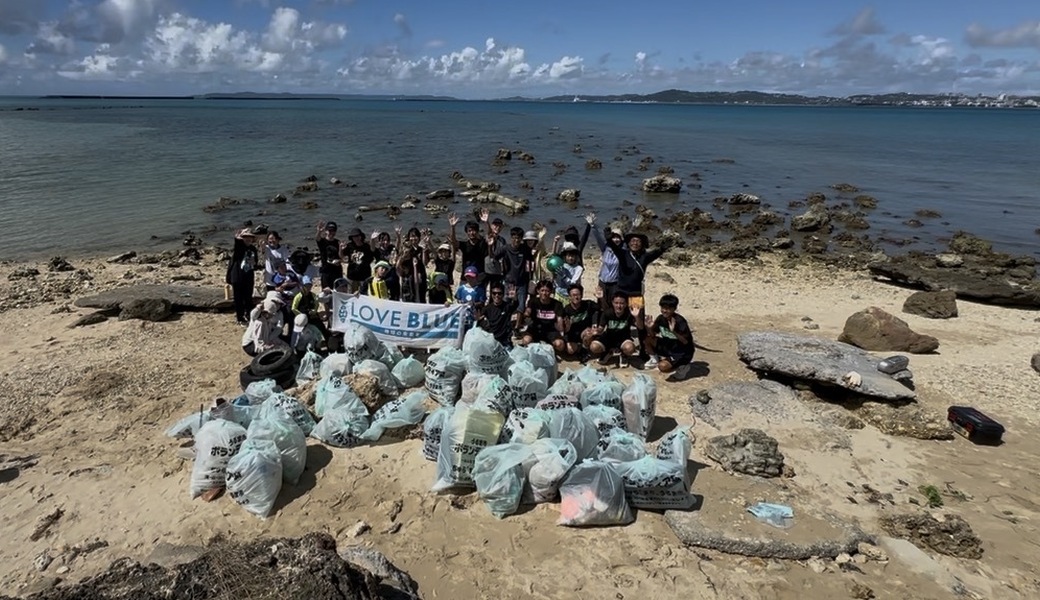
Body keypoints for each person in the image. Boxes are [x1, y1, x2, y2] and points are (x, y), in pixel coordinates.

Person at [607, 232, 667, 360]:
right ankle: (615, 345)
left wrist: (664, 247)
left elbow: (656, 253)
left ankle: (644, 350)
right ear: (628, 243)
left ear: (642, 244)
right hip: (621, 293)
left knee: (640, 323)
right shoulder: (622, 254)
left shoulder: (645, 257)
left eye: (638, 241)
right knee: (619, 320)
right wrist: (608, 237)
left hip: (635, 294)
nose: (635, 243)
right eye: (632, 241)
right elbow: (614, 247)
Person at [588, 292, 642, 368]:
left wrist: (637, 317)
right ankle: (607, 352)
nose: (619, 306)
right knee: (594, 346)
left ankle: (624, 355)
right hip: (609, 338)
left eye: (622, 303)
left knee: (630, 348)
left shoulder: (629, 313)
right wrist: (596, 331)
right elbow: (601, 328)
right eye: (616, 303)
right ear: (612, 303)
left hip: (623, 339)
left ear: (626, 304)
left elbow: (640, 327)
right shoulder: (607, 313)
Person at [644, 294, 695, 373]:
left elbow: (685, 341)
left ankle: (683, 366)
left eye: (668, 309)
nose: (664, 311)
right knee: (648, 339)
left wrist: (673, 332)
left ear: (674, 309)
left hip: (681, 352)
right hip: (668, 347)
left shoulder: (679, 321)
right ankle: (654, 360)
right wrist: (649, 327)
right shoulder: (661, 318)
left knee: (663, 367)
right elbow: (652, 335)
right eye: (663, 308)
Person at [520, 280, 565, 353]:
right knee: (526, 341)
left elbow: (559, 319)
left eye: (547, 291)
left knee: (560, 345)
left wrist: (561, 332)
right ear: (538, 291)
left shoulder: (557, 304)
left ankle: (549, 348)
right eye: (542, 290)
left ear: (550, 292)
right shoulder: (533, 301)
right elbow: (528, 310)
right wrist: (525, 314)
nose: (544, 293)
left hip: (551, 330)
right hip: (536, 328)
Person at [226, 227, 259, 325]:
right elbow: (237, 244)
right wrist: (238, 238)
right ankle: (240, 317)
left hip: (248, 275)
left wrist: (254, 262)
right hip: (237, 276)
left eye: (250, 237)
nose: (248, 239)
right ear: (242, 239)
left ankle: (249, 315)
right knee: (238, 298)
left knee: (248, 297)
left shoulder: (253, 248)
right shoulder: (239, 248)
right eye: (246, 237)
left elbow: (255, 261)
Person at [589, 213, 622, 311]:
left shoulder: (622, 252)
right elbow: (598, 238)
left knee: (614, 304)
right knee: (601, 303)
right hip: (602, 281)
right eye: (614, 237)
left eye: (618, 237)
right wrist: (593, 225)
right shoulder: (605, 249)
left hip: (615, 283)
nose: (616, 239)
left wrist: (634, 228)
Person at [561, 284, 599, 361]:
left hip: (585, 332)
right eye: (573, 295)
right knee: (570, 350)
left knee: (588, 333)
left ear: (581, 295)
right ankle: (580, 348)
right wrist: (567, 326)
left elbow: (601, 310)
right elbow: (564, 330)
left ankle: (584, 349)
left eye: (578, 294)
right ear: (569, 296)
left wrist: (594, 324)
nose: (576, 297)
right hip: (572, 334)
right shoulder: (566, 310)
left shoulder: (588, 304)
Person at [449, 213, 489, 282]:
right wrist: (453, 227)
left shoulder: (482, 243)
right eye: (469, 231)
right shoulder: (464, 245)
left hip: (479, 276)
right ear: (466, 232)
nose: (471, 233)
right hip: (466, 276)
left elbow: (490, 236)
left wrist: (487, 223)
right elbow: (453, 241)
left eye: (473, 230)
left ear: (477, 231)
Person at [478, 281, 517, 348]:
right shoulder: (487, 309)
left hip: (504, 342)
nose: (497, 296)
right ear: (491, 294)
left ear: (503, 294)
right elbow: (479, 321)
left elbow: (516, 304)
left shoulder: (507, 307)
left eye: (499, 293)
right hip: (491, 340)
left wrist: (514, 297)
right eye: (494, 293)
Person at [340, 227, 375, 293]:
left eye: (358, 236)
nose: (356, 238)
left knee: (364, 295)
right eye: (354, 236)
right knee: (351, 295)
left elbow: (373, 250)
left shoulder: (366, 246)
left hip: (364, 276)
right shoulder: (349, 246)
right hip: (352, 275)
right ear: (352, 238)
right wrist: (341, 249)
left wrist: (372, 240)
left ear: (361, 236)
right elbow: (342, 257)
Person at [314, 221, 343, 290]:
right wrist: (319, 231)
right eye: (329, 230)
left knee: (338, 290)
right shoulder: (322, 241)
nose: (331, 233)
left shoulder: (337, 242)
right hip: (326, 271)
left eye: (333, 231)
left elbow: (341, 257)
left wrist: (339, 261)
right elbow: (317, 239)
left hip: (337, 271)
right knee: (327, 292)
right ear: (326, 231)